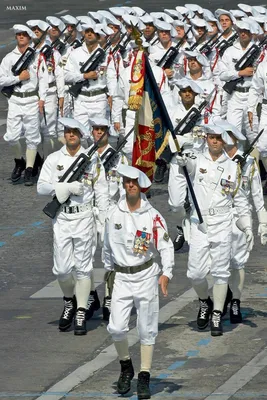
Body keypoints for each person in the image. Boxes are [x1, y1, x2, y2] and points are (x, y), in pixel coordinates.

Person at [103, 164, 174, 399]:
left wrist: (166, 273)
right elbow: (106, 246)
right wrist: (108, 273)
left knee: (147, 329)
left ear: (140, 185)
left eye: (133, 181)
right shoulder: (114, 213)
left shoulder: (152, 216)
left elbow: (165, 245)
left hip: (145, 276)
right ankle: (126, 366)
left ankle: (144, 375)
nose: (130, 185)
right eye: (126, 181)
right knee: (116, 327)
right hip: (122, 277)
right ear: (123, 184)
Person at [176, 124, 252, 336]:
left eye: (219, 138)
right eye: (212, 137)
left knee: (220, 272)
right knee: (195, 273)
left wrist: (247, 226)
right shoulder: (197, 159)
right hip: (200, 223)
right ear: (207, 139)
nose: (215, 141)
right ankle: (204, 302)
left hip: (222, 222)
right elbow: (188, 164)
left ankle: (217, 314)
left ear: (224, 139)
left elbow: (240, 199)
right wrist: (181, 160)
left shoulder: (232, 167)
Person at [37, 117, 109, 335]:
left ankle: (80, 310)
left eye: (75, 132)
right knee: (61, 270)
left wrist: (102, 222)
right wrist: (64, 187)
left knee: (83, 268)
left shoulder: (93, 159)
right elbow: (41, 187)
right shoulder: (53, 159)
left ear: (81, 136)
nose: (70, 135)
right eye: (67, 131)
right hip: (62, 218)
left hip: (84, 218)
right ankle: (69, 300)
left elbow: (102, 191)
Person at [218, 120, 267, 322]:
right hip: (218, 215)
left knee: (238, 262)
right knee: (216, 263)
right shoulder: (215, 160)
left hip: (240, 216)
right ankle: (224, 294)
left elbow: (257, 195)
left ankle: (236, 301)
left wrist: (263, 223)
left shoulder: (248, 162)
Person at [0, 24, 49, 185]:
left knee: (32, 137)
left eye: (24, 35)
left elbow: (43, 79)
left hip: (31, 101)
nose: (21, 37)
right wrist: (18, 79)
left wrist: (42, 99)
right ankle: (18, 161)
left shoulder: (37, 57)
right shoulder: (9, 58)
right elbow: (1, 80)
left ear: (29, 37)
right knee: (12, 137)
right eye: (18, 35)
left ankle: (29, 170)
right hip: (15, 100)